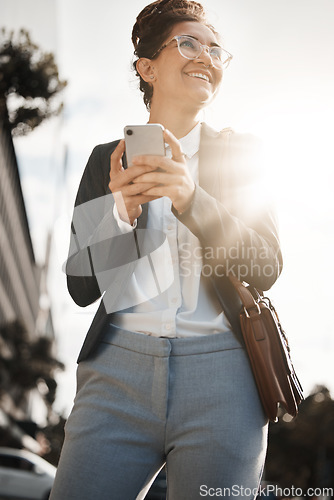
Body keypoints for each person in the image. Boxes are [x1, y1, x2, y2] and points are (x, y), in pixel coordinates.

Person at [50, 0, 283, 498]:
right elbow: (80, 287)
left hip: (224, 377)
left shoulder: (244, 155)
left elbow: (266, 265)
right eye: (189, 43)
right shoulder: (104, 161)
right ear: (148, 67)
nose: (208, 57)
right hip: (116, 374)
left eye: (217, 49)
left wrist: (190, 199)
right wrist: (120, 214)